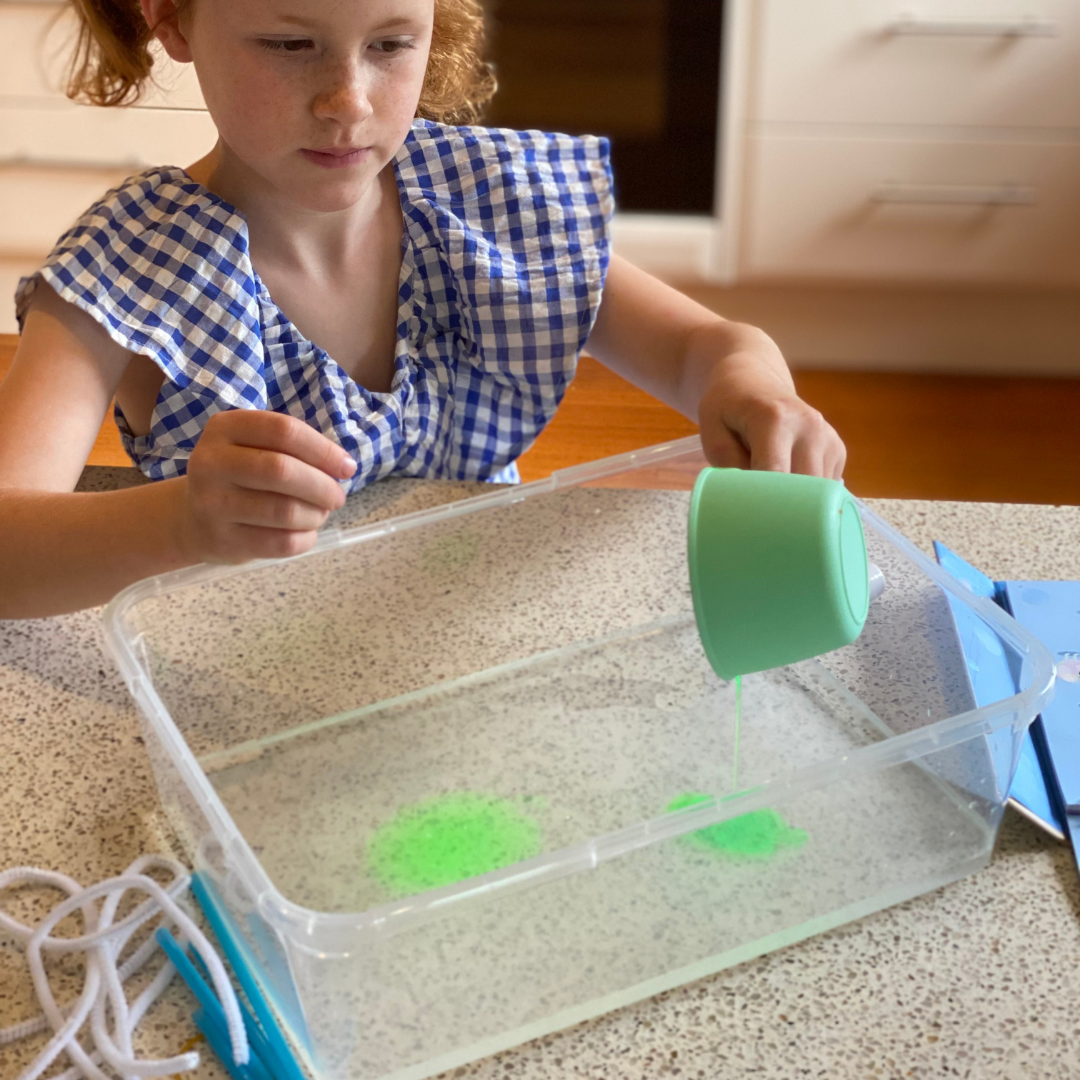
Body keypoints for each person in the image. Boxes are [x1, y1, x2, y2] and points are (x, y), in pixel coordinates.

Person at [0, 0, 845, 619]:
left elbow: (708, 346)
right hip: (252, 688)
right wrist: (183, 523)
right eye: (291, 44)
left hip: (471, 639)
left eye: (392, 43)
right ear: (173, 19)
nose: (348, 100)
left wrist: (749, 382)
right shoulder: (130, 269)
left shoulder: (482, 204)